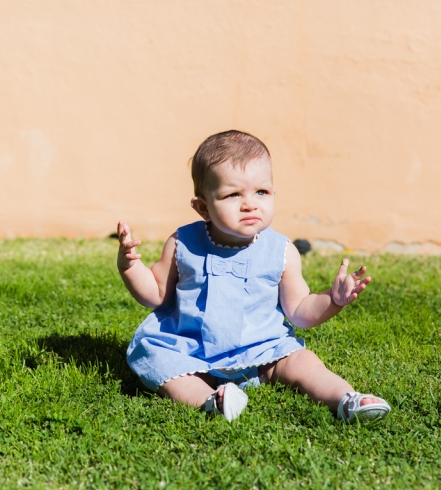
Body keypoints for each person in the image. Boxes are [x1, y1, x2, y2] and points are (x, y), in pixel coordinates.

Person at [116, 130, 390, 423]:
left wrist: (332, 300)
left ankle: (346, 399)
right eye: (233, 194)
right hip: (191, 352)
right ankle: (210, 401)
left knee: (303, 362)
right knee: (159, 362)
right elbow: (154, 294)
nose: (250, 204)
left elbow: (299, 312)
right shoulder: (183, 243)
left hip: (263, 352)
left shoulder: (281, 251)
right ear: (203, 207)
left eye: (262, 192)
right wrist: (130, 267)